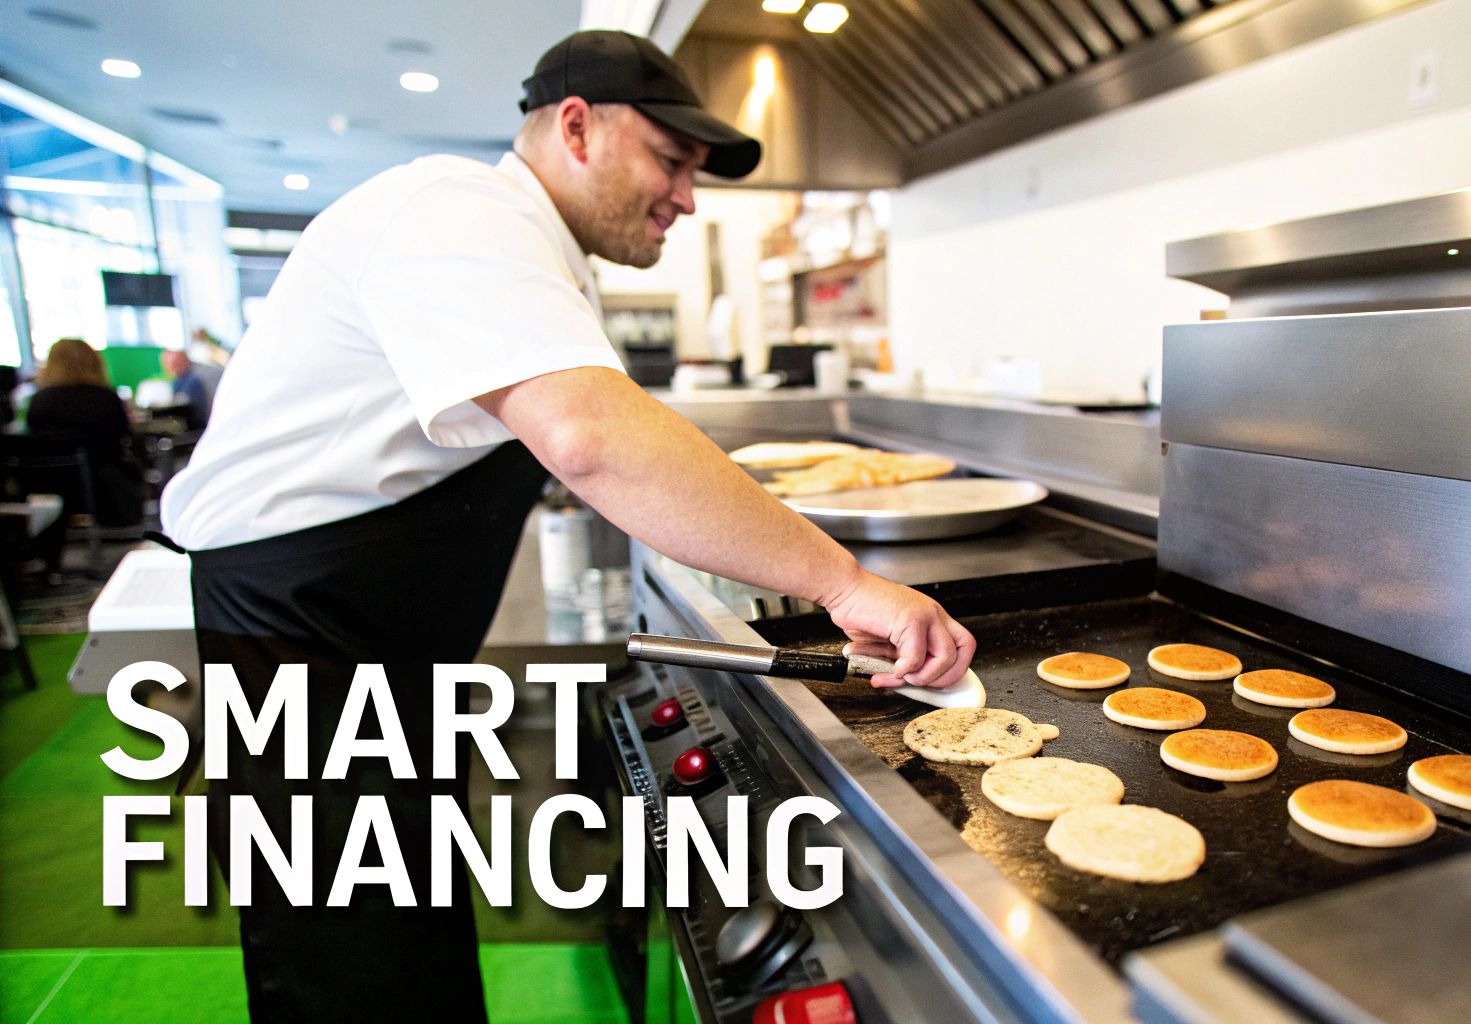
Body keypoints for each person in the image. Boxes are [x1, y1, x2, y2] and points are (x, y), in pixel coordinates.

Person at [158, 30, 974, 1023]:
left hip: (377, 637)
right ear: (576, 127)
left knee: (406, 920)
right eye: (670, 161)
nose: (686, 197)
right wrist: (843, 582)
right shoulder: (457, 210)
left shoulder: (544, 255)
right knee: (349, 951)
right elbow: (590, 438)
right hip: (301, 632)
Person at [25, 337, 145, 527]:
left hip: (50, 488)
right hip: (104, 490)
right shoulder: (106, 398)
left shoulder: (39, 401)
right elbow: (123, 437)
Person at [159, 347, 219, 429]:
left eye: (174, 364)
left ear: (184, 359)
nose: (171, 370)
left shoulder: (198, 377)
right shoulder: (181, 378)